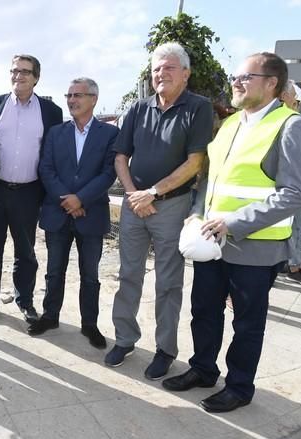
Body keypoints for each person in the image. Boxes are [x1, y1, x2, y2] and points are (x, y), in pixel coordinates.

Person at [162, 52, 301, 412]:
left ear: (271, 82)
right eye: (235, 77)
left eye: (245, 77)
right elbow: (210, 182)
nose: (235, 83)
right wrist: (197, 215)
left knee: (247, 323)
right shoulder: (229, 125)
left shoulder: (291, 126)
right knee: (204, 311)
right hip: (212, 243)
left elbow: (295, 194)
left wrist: (234, 223)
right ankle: (202, 369)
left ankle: (240, 386)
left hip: (256, 249)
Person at [107, 42, 213, 380]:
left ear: (185, 73)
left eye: (168, 68)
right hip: (134, 205)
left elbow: (195, 161)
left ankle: (165, 349)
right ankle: (124, 338)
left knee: (168, 282)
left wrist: (153, 192)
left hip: (172, 206)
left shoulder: (198, 108)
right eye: (156, 69)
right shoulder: (139, 108)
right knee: (128, 275)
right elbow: (121, 156)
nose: (160, 74)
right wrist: (134, 193)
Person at [0, 54, 63, 325]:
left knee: (25, 251)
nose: (18, 76)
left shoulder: (51, 112)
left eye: (25, 72)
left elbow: (53, 153)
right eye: (14, 71)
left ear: (36, 77)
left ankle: (25, 301)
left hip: (28, 191)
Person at [29, 77, 118, 348]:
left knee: (89, 274)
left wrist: (81, 199)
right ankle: (50, 315)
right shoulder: (56, 132)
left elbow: (108, 173)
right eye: (68, 95)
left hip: (91, 215)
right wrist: (67, 200)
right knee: (54, 271)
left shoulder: (109, 134)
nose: (71, 100)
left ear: (94, 98)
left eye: (78, 95)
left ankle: (89, 324)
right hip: (57, 213)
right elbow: (46, 169)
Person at [279, 80, 301, 285]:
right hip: (292, 182)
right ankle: (294, 265)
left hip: (286, 181)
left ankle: (287, 263)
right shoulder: (291, 119)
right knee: (299, 225)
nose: (297, 102)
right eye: (295, 98)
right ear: (285, 96)